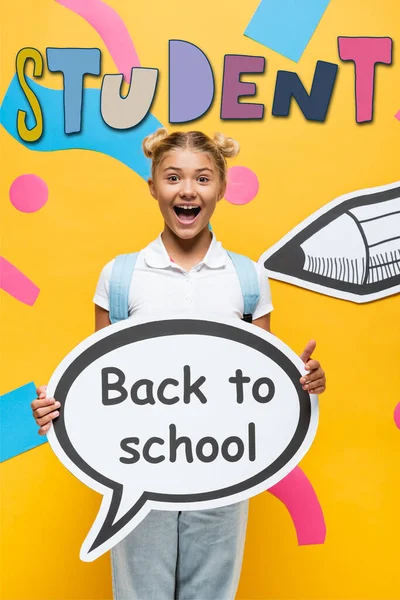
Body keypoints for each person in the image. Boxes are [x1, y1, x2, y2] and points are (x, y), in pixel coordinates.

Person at [31, 128, 326, 600]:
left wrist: (302, 381)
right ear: (153, 187)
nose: (187, 190)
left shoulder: (247, 277)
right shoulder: (121, 276)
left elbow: (262, 384)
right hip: (137, 468)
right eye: (173, 177)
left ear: (221, 189)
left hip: (225, 469)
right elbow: (100, 384)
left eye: (202, 178)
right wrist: (57, 410)